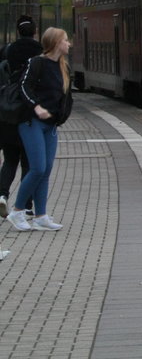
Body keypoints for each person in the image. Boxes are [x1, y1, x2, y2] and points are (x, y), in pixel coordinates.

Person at [6, 27, 73, 232]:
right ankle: (18, 211)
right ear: (55, 43)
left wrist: (60, 116)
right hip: (31, 122)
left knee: (46, 170)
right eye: (65, 40)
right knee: (38, 168)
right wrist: (36, 106)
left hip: (50, 125)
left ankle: (41, 215)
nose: (69, 43)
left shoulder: (63, 67)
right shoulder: (36, 63)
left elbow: (64, 96)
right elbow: (23, 87)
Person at [0, 14, 39, 219]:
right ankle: (25, 204)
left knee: (9, 160)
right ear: (34, 31)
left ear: (17, 31)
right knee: (28, 162)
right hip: (28, 116)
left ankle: (2, 195)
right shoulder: (39, 52)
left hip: (8, 113)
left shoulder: (8, 50)